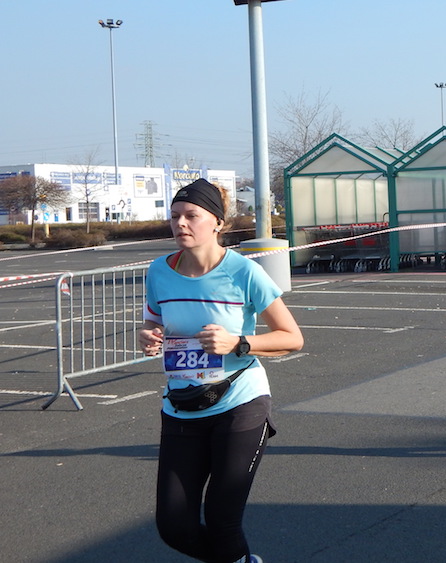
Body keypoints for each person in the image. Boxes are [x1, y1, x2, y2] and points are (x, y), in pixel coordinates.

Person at [137, 178, 303, 563]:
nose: (180, 223)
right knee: (173, 526)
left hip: (239, 403)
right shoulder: (159, 271)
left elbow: (292, 337)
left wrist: (238, 342)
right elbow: (153, 322)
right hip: (182, 406)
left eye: (191, 215)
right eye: (174, 216)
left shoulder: (243, 272)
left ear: (217, 223)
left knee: (221, 521)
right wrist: (148, 337)